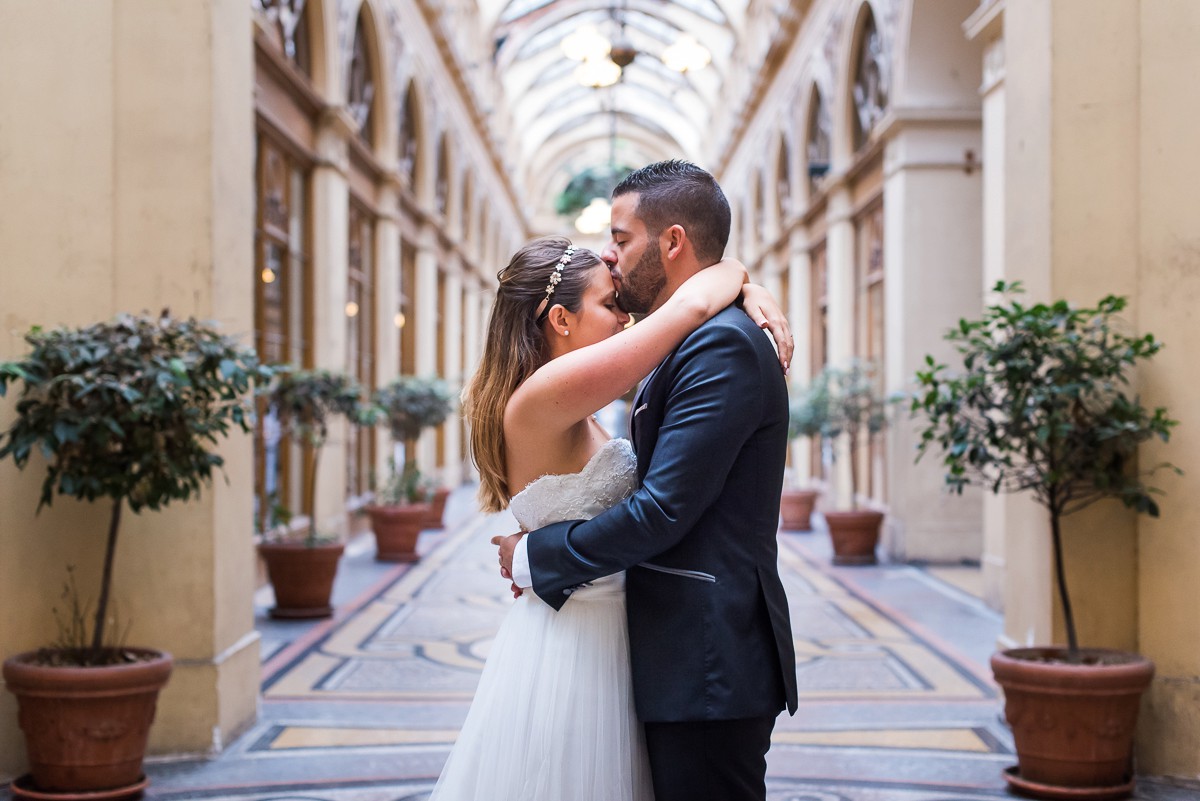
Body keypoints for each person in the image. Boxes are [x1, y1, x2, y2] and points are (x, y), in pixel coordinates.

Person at [430, 223, 791, 801]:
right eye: (609, 303)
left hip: (616, 634)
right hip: (579, 644)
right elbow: (692, 306)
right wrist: (743, 280)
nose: (625, 316)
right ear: (560, 320)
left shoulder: (567, 400)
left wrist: (747, 288)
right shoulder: (548, 391)